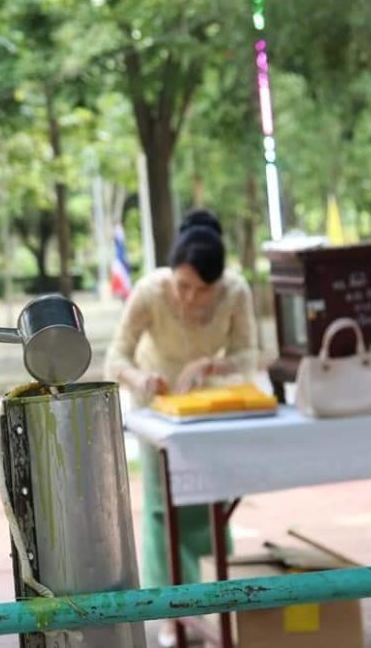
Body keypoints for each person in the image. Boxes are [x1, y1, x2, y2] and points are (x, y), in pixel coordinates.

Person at [104, 209, 258, 646]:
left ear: (218, 283)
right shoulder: (150, 292)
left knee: (212, 504)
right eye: (183, 286)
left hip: (209, 409)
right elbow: (115, 358)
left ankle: (217, 603)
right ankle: (172, 613)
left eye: (201, 289)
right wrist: (141, 380)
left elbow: (250, 355)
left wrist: (215, 364)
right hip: (158, 414)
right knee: (162, 511)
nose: (190, 299)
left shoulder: (236, 292)